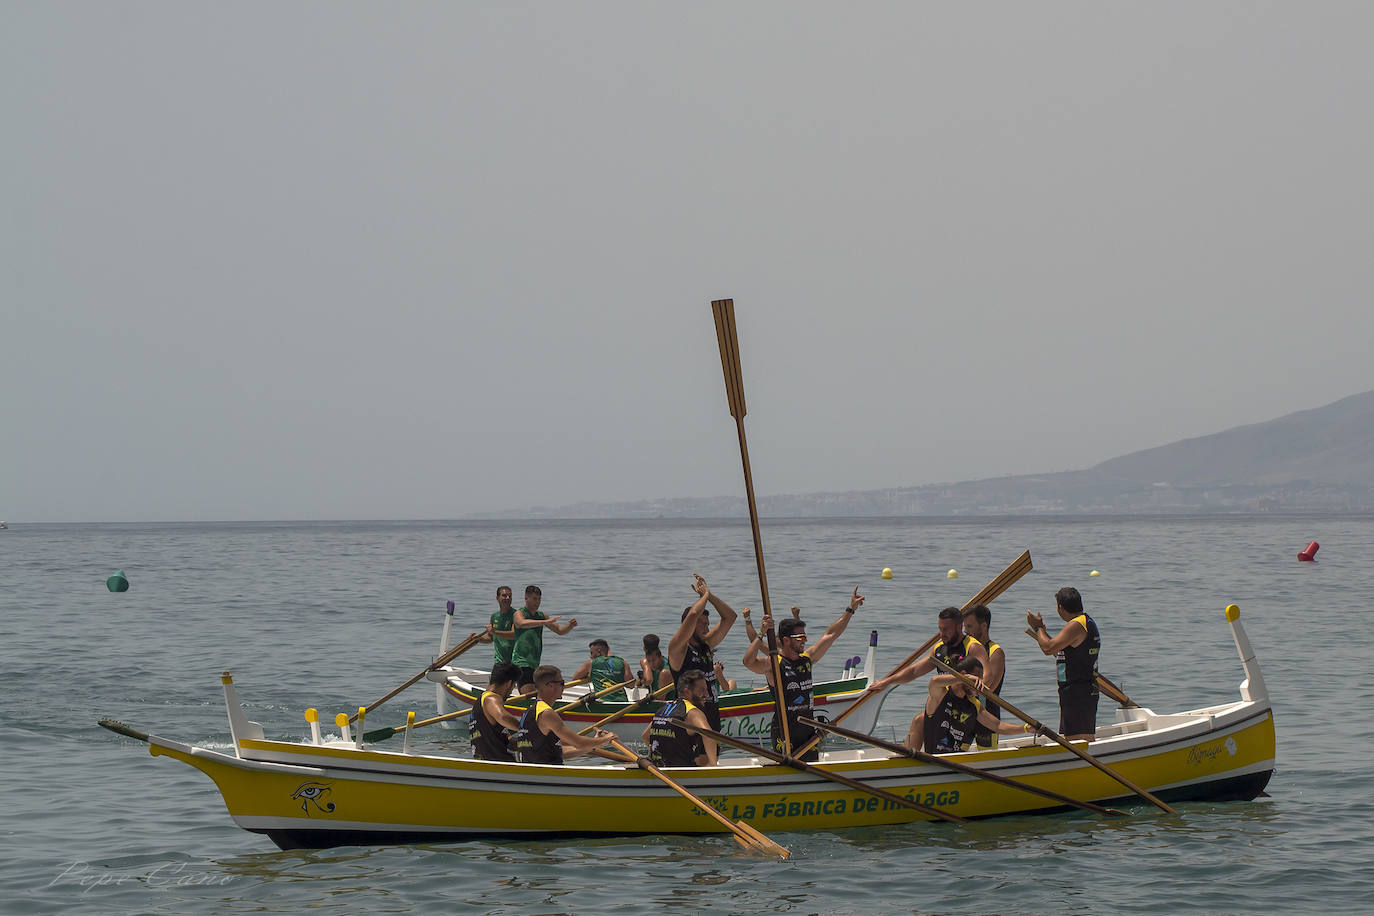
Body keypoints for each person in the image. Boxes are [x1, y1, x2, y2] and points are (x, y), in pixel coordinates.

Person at [741, 587, 864, 762]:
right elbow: (748, 662)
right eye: (800, 637)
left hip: (808, 733)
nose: (805, 641)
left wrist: (850, 609)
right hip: (784, 733)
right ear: (786, 640)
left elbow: (831, 634)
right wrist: (761, 632)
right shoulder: (773, 664)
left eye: (805, 636)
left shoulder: (807, 659)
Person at [904, 659, 1035, 754]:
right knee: (919, 719)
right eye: (977, 679)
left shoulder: (974, 705)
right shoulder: (941, 695)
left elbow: (998, 726)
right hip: (935, 761)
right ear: (964, 675)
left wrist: (1025, 728)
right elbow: (933, 682)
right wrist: (964, 678)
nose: (980, 683)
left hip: (958, 763)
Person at [1027, 586, 1101, 741]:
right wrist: (1042, 632)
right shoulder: (1084, 622)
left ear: (1060, 607)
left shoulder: (1076, 625)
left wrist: (1037, 627)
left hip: (1078, 691)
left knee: (1079, 742)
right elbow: (1056, 648)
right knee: (1074, 739)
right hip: (1077, 690)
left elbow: (1048, 648)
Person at [666, 574, 738, 729]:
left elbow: (730, 617)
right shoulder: (678, 648)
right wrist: (703, 595)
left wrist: (709, 595)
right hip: (689, 719)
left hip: (711, 715)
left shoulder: (706, 645)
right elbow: (692, 615)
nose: (707, 628)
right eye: (703, 624)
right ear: (690, 626)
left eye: (708, 624)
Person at [871, 606, 991, 696]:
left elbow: (987, 676)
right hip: (944, 706)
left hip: (967, 705)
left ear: (959, 627)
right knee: (918, 721)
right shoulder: (939, 648)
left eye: (946, 629)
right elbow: (914, 671)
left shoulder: (973, 647)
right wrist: (886, 682)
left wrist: (976, 687)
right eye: (940, 629)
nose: (942, 634)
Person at [512, 666, 615, 764]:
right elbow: (578, 743)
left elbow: (561, 752)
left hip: (536, 772)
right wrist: (606, 740)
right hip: (547, 774)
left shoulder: (529, 711)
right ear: (550, 686)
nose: (564, 686)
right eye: (561, 683)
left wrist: (594, 743)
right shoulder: (546, 713)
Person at [641, 670, 718, 767]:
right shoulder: (692, 712)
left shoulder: (663, 709)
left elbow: (645, 736)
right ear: (687, 692)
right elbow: (709, 735)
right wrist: (713, 765)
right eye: (702, 690)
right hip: (682, 772)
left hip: (658, 769)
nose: (707, 694)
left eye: (706, 689)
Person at [512, 585, 578, 692]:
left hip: (534, 664)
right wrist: (544, 622)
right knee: (529, 694)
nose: (537, 602)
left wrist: (570, 626)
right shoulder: (519, 613)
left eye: (539, 599)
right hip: (521, 662)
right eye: (534, 599)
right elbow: (521, 623)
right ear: (526, 598)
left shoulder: (541, 615)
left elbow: (560, 630)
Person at [961, 604, 1006, 749]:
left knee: (988, 757)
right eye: (964, 627)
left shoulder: (995, 652)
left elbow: (990, 687)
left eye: (969, 626)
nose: (965, 632)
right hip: (964, 715)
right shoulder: (966, 649)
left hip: (987, 717)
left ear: (984, 626)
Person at [468, 661, 522, 762]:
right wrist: (527, 729)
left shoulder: (480, 701)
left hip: (484, 763)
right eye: (513, 686)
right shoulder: (492, 698)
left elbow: (509, 742)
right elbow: (503, 717)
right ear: (508, 683)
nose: (511, 692)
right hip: (500, 765)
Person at [476, 585, 518, 667]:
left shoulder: (516, 615)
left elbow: (513, 635)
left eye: (510, 596)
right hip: (498, 661)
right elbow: (490, 638)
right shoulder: (494, 616)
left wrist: (494, 631)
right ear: (497, 598)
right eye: (504, 596)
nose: (508, 598)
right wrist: (478, 639)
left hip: (514, 662)